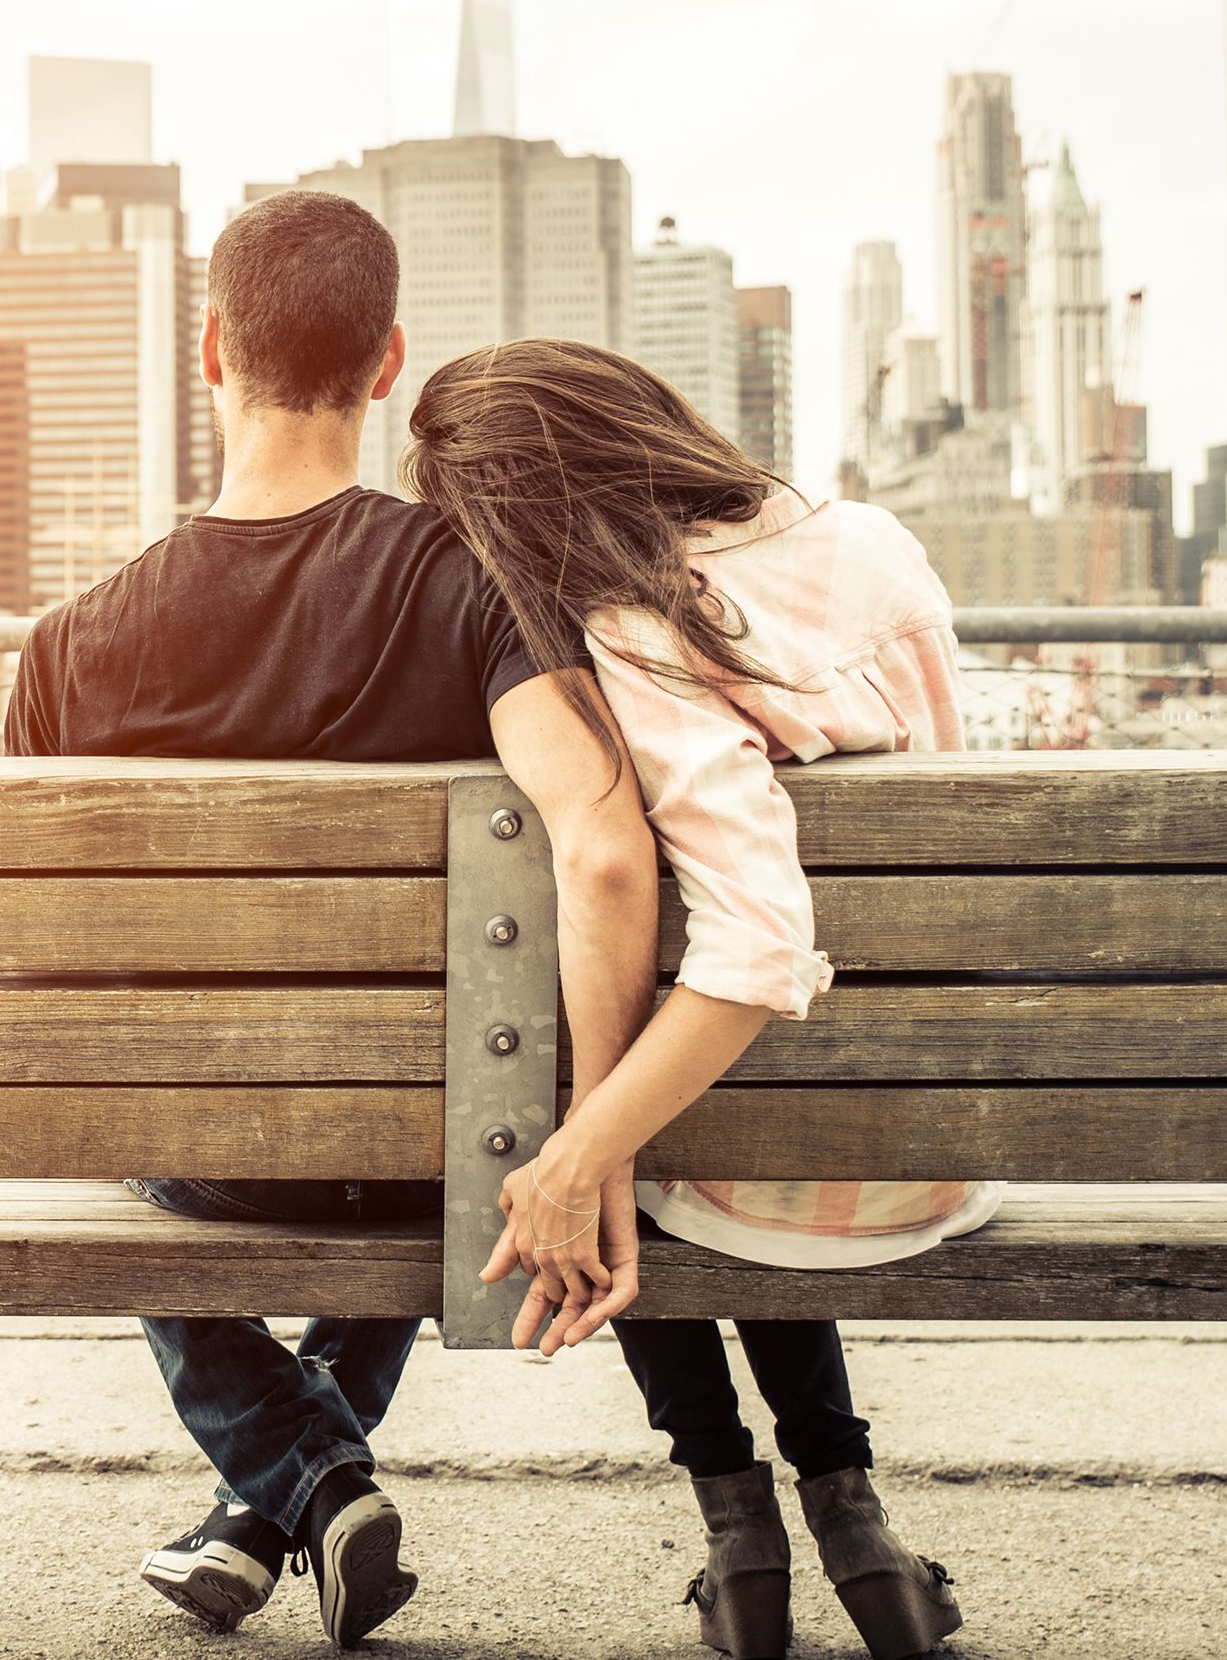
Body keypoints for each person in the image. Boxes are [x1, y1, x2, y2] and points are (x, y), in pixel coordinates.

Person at [2, 191, 661, 1648]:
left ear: (208, 350)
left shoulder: (63, 650)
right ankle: (298, 1488)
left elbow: (49, 989)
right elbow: (607, 855)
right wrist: (593, 1135)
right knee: (427, 1097)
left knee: (138, 1115)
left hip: (208, 1165)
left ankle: (293, 1484)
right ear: (386, 365)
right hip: (423, 1148)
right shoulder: (472, 584)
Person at [403, 337, 988, 1660]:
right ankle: (851, 1515)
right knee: (694, 1127)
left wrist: (579, 1148)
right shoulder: (876, 540)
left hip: (789, 1162)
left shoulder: (643, 624)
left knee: (612, 1156)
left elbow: (760, 941)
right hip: (932, 1135)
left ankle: (741, 1530)